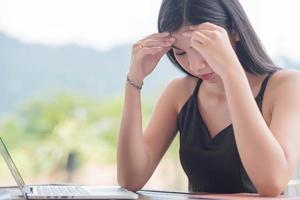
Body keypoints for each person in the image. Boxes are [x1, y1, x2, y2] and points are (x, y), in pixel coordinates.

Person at [117, 0, 300, 197]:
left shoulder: (286, 86)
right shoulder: (180, 92)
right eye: (181, 52)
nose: (196, 66)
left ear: (234, 31)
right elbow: (131, 178)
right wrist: (134, 80)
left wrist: (231, 73)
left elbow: (271, 183)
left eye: (203, 46)